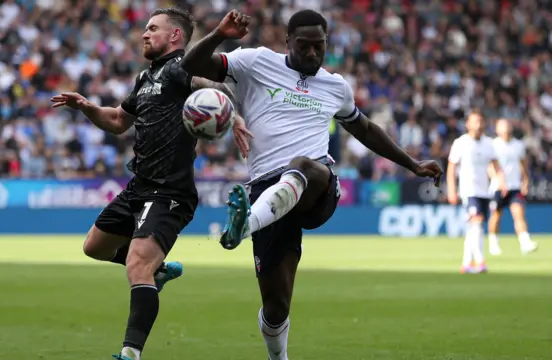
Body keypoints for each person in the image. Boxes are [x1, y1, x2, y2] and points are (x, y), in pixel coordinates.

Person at [181, 9, 443, 360]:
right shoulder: (255, 62)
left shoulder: (336, 87)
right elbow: (190, 65)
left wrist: (411, 163)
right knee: (276, 308)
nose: (312, 53)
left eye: (318, 46)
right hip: (266, 194)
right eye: (304, 46)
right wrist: (218, 34)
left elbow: (364, 129)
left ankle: (243, 226)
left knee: (304, 165)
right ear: (288, 41)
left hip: (317, 187)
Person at [51, 8, 238, 360]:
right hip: (139, 186)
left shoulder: (183, 69)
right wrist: (88, 107)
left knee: (137, 263)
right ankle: (159, 271)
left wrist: (234, 116)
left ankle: (130, 353)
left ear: (175, 37)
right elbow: (120, 120)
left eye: (153, 28)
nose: (144, 34)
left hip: (170, 192)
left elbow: (211, 90)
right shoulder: (145, 77)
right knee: (95, 247)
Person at [447, 111, 508, 274]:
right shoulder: (460, 143)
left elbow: (496, 165)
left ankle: (466, 264)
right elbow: (451, 168)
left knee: (474, 228)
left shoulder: (489, 143)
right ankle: (480, 261)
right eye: (475, 121)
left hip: (485, 191)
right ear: (467, 124)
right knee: (477, 222)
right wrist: (451, 189)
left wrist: (502, 181)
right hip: (468, 190)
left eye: (481, 121)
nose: (478, 125)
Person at [487, 119, 538, 255]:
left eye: (507, 126)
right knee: (496, 216)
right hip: (498, 187)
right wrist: (498, 181)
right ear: (497, 130)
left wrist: (525, 181)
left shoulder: (518, 145)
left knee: (519, 214)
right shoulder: (493, 145)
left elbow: (523, 165)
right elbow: (490, 166)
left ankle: (525, 242)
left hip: (515, 186)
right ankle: (493, 243)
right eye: (502, 127)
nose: (506, 129)